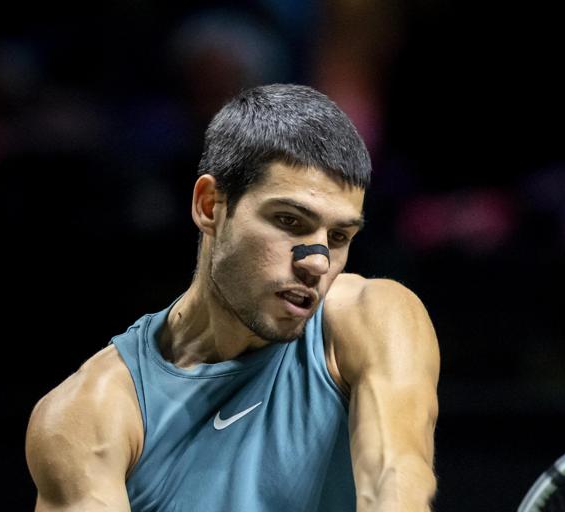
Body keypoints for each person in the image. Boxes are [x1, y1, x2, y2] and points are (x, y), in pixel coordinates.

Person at [25, 84, 440, 511]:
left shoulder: (376, 318)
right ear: (209, 206)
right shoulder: (88, 416)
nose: (318, 263)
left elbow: (397, 482)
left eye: (338, 236)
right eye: (290, 221)